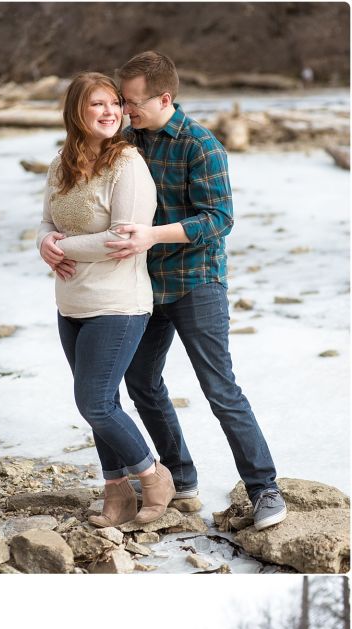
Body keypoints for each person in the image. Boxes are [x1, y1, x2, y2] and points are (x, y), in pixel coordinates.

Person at [107, 51, 286, 531]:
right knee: (141, 382)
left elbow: (219, 220)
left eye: (134, 101)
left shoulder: (200, 144)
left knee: (220, 389)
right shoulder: (126, 143)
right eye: (123, 101)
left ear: (165, 97)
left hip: (195, 281)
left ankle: (264, 488)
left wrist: (152, 235)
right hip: (142, 286)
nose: (127, 109)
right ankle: (180, 477)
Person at [37, 73, 175, 527]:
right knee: (103, 403)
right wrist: (44, 244)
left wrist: (62, 247)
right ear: (77, 111)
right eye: (97, 104)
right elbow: (45, 222)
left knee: (94, 403)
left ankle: (154, 476)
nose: (110, 112)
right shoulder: (62, 162)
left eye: (115, 103)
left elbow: (122, 239)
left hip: (118, 303)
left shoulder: (128, 164)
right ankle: (117, 496)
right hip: (71, 303)